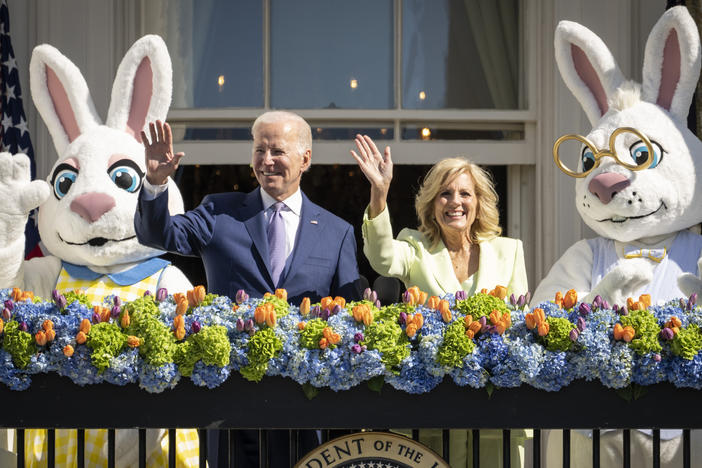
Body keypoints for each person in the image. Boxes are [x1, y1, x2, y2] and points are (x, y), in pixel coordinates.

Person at [134, 111, 361, 467]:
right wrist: (154, 184)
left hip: (301, 405)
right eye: (259, 150)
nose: (266, 161)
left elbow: (350, 320)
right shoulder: (219, 212)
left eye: (277, 152)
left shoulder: (336, 232)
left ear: (305, 159)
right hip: (231, 402)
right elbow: (158, 234)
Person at [351, 134, 529, 467]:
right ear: (433, 204)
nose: (455, 202)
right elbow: (381, 258)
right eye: (445, 194)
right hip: (429, 409)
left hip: (493, 410)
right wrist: (379, 193)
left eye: (465, 193)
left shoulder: (510, 251)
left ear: (479, 202)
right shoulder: (414, 246)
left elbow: (519, 324)